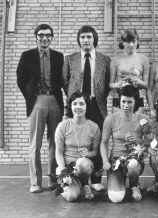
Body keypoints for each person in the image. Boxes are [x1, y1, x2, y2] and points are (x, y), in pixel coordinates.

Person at [16, 24, 64, 193]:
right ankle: (35, 182)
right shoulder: (27, 55)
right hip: (37, 100)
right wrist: (32, 97)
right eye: (41, 35)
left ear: (52, 37)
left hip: (55, 101)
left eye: (48, 35)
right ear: (36, 37)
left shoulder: (59, 56)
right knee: (35, 143)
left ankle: (52, 180)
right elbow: (20, 80)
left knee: (55, 142)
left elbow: (63, 80)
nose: (45, 38)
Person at [62, 25, 111, 192]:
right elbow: (65, 81)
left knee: (97, 141)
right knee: (76, 139)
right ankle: (74, 176)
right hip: (77, 104)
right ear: (79, 40)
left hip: (97, 104)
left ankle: (96, 179)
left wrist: (97, 95)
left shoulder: (105, 60)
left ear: (94, 39)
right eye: (82, 38)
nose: (85, 40)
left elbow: (107, 83)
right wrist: (75, 100)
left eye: (89, 37)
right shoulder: (70, 59)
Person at [100, 85, 149, 203]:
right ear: (119, 101)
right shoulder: (110, 119)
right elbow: (104, 142)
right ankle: (119, 180)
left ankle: (134, 185)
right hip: (115, 161)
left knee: (132, 166)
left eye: (130, 102)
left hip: (134, 160)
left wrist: (137, 142)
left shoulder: (143, 119)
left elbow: (149, 142)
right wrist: (105, 161)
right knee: (116, 198)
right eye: (123, 101)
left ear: (135, 102)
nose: (126, 105)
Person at [55, 91, 101, 201]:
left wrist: (88, 153)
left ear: (87, 106)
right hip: (67, 168)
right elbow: (58, 152)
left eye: (81, 104)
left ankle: (85, 184)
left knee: (81, 163)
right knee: (71, 197)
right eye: (75, 104)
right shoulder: (62, 126)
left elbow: (96, 153)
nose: (78, 107)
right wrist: (63, 171)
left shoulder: (94, 127)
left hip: (84, 166)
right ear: (70, 106)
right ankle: (70, 183)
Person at [109, 28, 149, 113]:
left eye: (133, 42)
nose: (131, 45)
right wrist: (118, 84)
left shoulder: (144, 59)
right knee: (119, 124)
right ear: (123, 43)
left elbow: (146, 85)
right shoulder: (115, 60)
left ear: (137, 42)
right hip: (119, 96)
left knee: (137, 124)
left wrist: (138, 82)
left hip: (137, 96)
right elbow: (110, 84)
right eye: (128, 42)